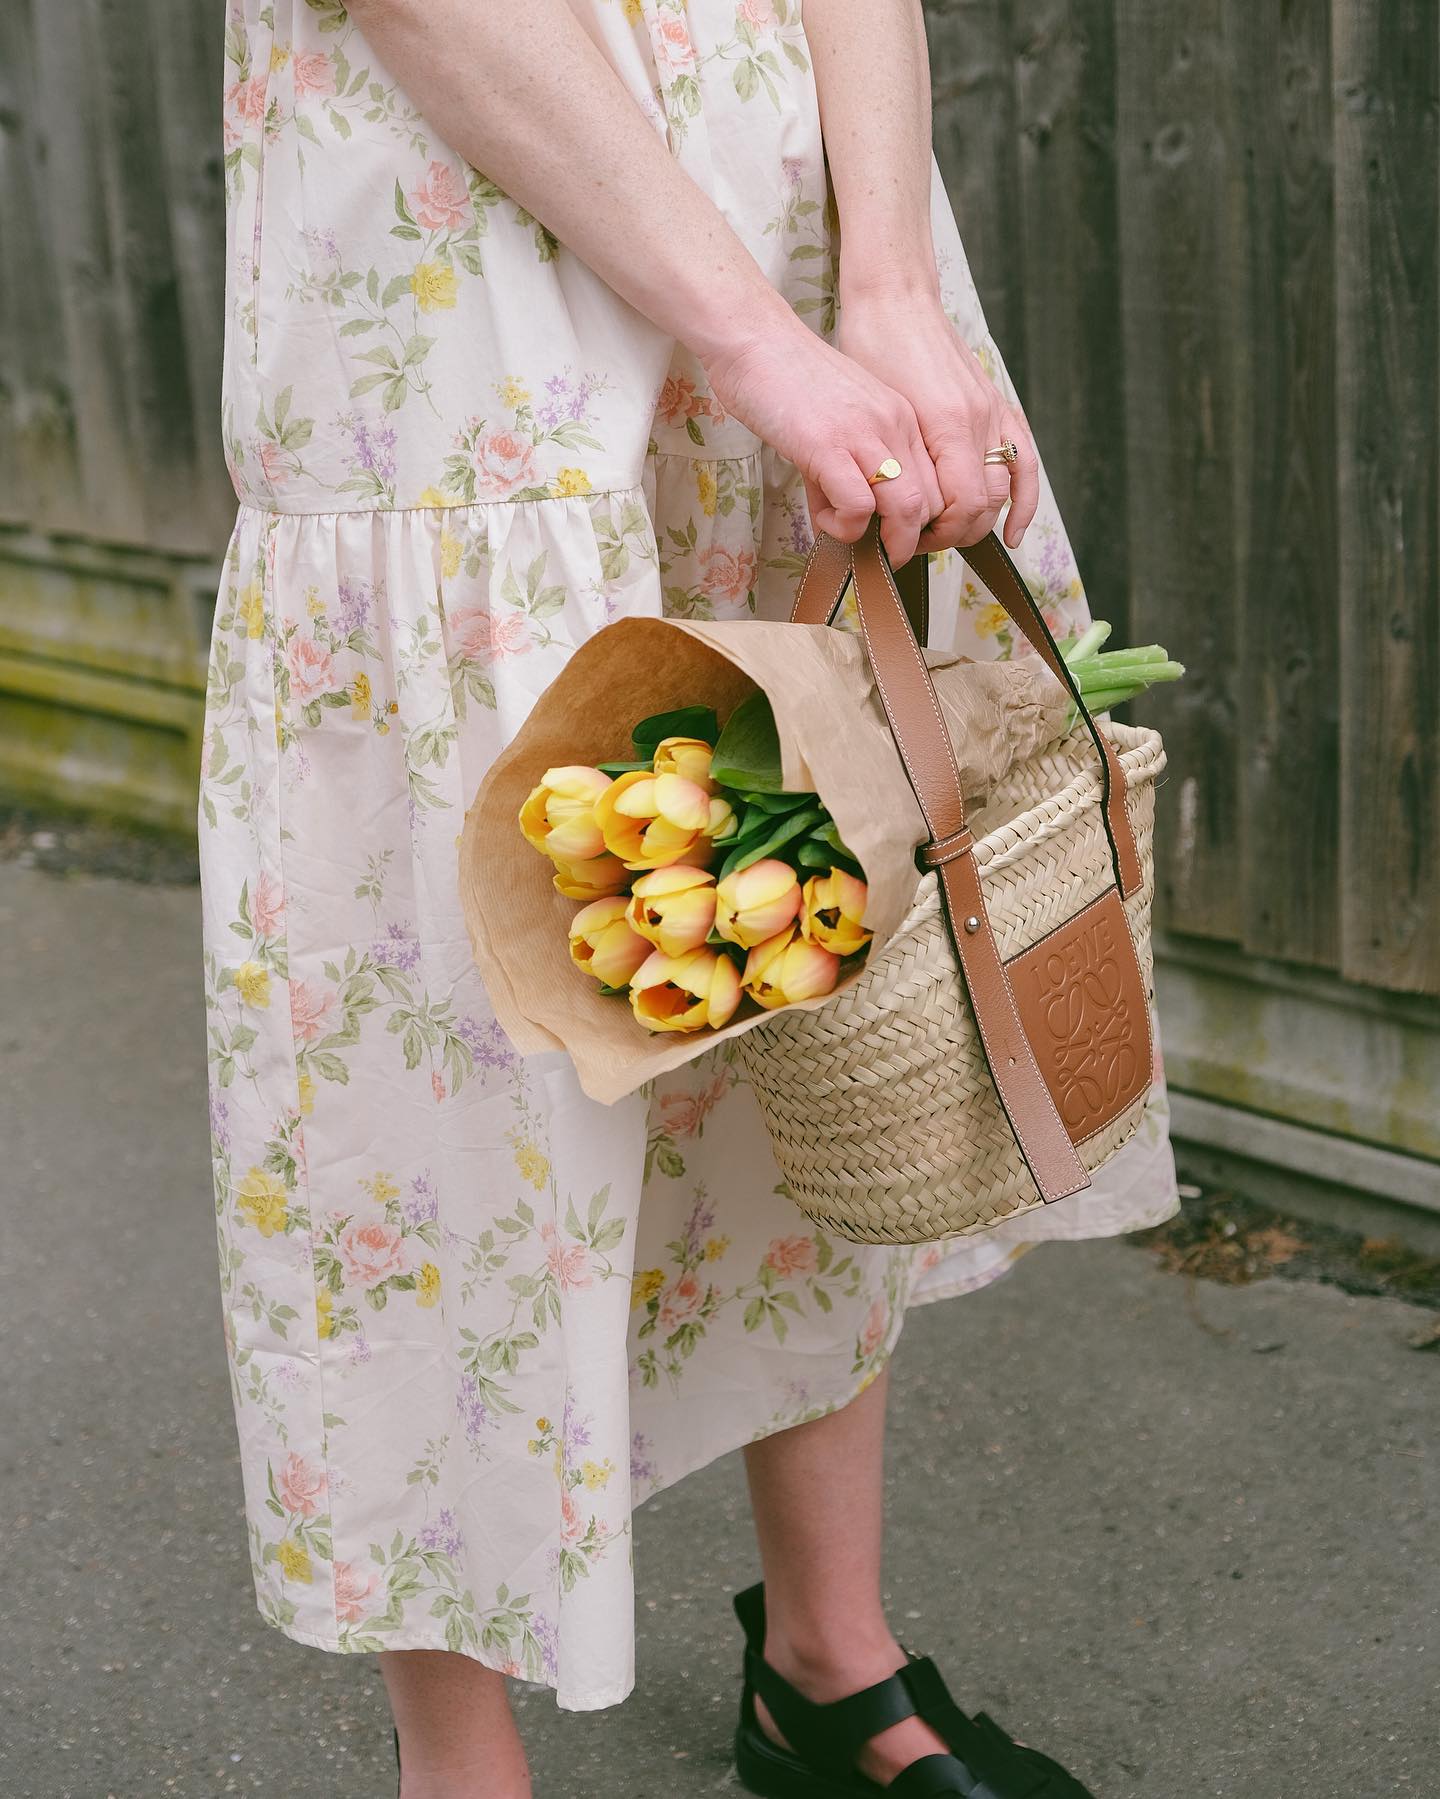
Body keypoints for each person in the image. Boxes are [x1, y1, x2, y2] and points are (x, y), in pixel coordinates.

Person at [200, 2, 1179, 1793]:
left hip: (804, 222)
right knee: (456, 1041)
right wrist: (753, 337)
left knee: (819, 930)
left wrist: (880, 285)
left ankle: (825, 1659)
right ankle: (461, 1760)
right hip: (470, 311)